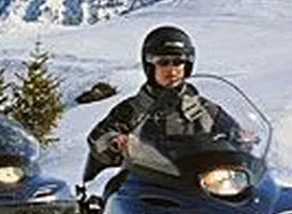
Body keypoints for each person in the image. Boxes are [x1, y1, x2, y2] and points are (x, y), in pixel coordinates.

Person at [83, 25, 222, 185]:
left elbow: (230, 134)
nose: (172, 70)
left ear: (187, 66)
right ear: (150, 66)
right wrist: (114, 141)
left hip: (195, 188)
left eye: (178, 62)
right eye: (163, 62)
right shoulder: (132, 109)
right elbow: (98, 138)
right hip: (144, 187)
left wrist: (240, 137)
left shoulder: (204, 110)